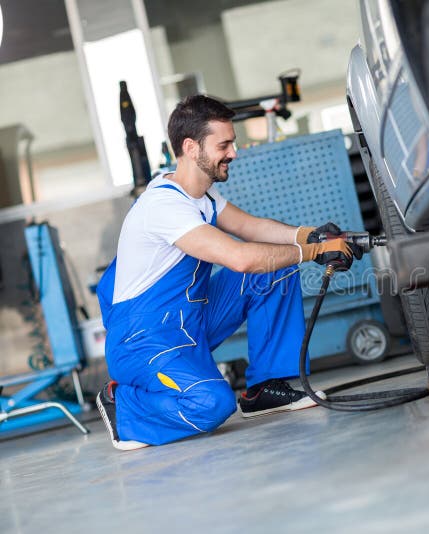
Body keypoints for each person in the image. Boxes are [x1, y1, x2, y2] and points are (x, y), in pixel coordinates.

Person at [95, 95, 360, 450]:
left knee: (275, 271)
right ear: (191, 147)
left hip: (189, 322)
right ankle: (123, 406)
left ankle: (266, 388)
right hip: (145, 341)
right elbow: (240, 258)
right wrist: (313, 252)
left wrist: (309, 235)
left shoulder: (202, 197)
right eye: (224, 144)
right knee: (211, 405)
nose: (234, 152)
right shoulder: (163, 205)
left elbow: (251, 227)